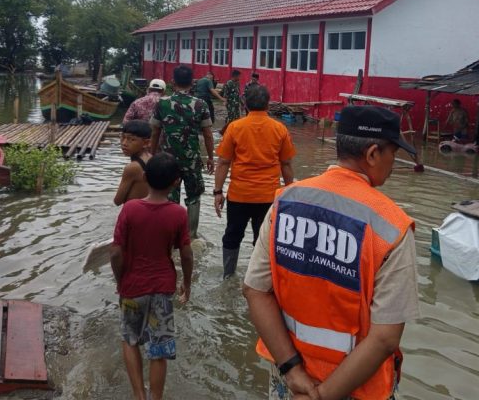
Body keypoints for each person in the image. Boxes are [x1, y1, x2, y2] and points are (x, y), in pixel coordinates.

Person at [243, 105, 420, 400]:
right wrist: (323, 395)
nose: (394, 163)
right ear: (373, 154)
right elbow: (385, 338)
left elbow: (255, 290)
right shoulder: (391, 227)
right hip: (354, 388)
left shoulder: (285, 202)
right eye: (393, 153)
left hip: (290, 379)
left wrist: (293, 371)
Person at [110, 152, 193, 400]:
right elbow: (186, 254)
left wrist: (120, 281)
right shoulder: (179, 213)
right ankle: (156, 397)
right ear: (176, 182)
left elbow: (116, 252)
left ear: (144, 177)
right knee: (159, 347)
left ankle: (139, 396)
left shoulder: (130, 209)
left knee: (130, 339)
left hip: (133, 287)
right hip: (162, 289)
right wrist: (187, 284)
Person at [213, 84, 295, 278]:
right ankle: (259, 279)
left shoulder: (235, 127)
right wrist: (290, 192)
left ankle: (228, 276)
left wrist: (218, 191)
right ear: (268, 104)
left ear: (245, 104)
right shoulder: (279, 129)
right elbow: (286, 164)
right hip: (268, 197)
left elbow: (223, 162)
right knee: (264, 239)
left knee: (232, 236)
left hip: (239, 195)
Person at [150, 65, 214, 238]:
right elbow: (208, 134)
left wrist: (151, 156)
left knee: (169, 197)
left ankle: (169, 235)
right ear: (192, 83)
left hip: (167, 161)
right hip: (192, 160)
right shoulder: (200, 104)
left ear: (172, 82)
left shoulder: (162, 103)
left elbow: (154, 132)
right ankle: (191, 236)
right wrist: (210, 157)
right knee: (194, 197)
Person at [113, 120, 153, 206]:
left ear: (146, 143)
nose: (124, 143)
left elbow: (117, 201)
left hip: (134, 211)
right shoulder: (152, 159)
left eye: (131, 139)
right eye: (123, 137)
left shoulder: (132, 168)